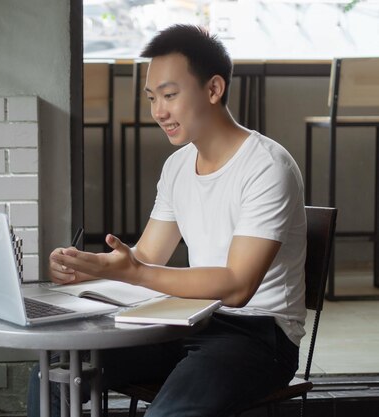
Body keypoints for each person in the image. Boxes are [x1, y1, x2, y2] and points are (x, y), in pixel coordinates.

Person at [28, 24, 306, 417]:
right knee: (52, 374)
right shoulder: (177, 166)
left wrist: (136, 273)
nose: (159, 111)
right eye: (152, 97)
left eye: (170, 95)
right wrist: (85, 269)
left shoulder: (267, 167)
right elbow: (147, 254)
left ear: (213, 89)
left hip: (257, 335)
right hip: (186, 319)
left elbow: (238, 286)